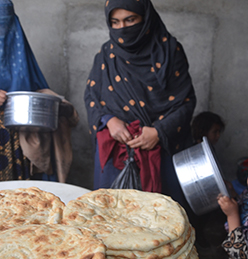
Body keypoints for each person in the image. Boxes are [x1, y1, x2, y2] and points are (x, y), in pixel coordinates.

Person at [84, 0, 196, 209]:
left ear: (145, 18)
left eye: (130, 19)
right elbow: (92, 95)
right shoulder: (106, 54)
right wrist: (109, 121)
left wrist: (159, 132)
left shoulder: (170, 52)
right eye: (115, 22)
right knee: (111, 217)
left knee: (159, 219)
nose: (122, 28)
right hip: (116, 152)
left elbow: (186, 101)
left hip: (159, 152)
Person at [0, 0, 78, 182]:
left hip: (23, 139)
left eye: (5, 26)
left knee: (25, 196)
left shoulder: (21, 53)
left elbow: (36, 89)